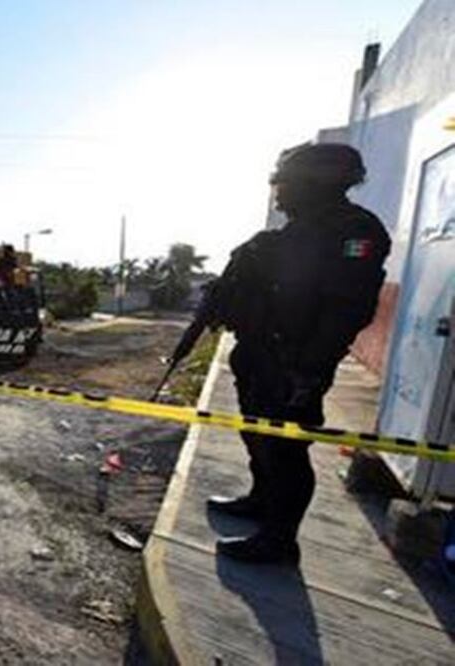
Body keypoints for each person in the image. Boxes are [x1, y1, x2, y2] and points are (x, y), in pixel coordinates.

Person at [172, 143, 390, 565]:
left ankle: (279, 541)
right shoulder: (288, 234)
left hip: (295, 363)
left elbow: (348, 309)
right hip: (257, 353)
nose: (278, 192)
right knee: (257, 435)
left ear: (316, 183)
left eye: (285, 182)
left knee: (286, 450)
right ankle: (260, 500)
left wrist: (309, 367)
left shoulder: (354, 232)